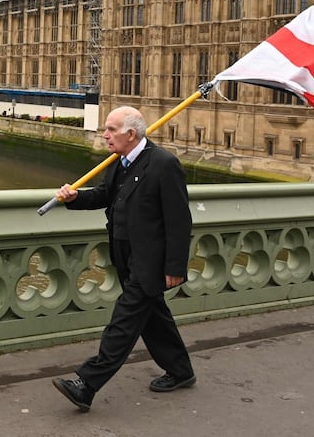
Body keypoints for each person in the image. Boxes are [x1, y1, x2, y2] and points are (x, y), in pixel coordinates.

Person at [52, 106, 196, 412]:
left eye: (111, 129)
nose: (104, 135)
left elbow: (179, 221)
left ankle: (86, 384)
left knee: (124, 322)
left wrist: (175, 267)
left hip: (150, 261)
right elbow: (107, 194)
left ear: (131, 134)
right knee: (154, 319)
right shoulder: (120, 162)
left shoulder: (163, 164)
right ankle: (181, 371)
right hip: (124, 256)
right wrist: (76, 198)